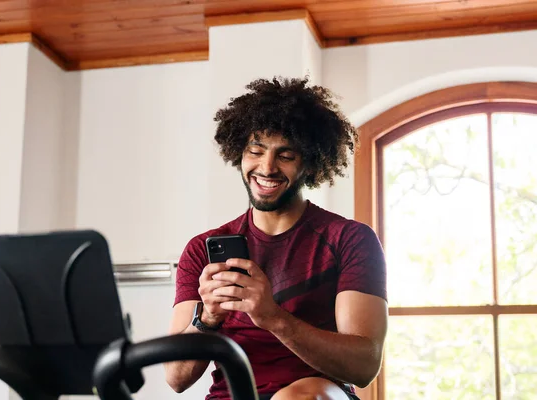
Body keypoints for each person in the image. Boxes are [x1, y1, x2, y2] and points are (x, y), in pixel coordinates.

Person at [164, 77, 388, 400]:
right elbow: (175, 378)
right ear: (239, 154)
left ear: (310, 162)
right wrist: (209, 317)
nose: (266, 167)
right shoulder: (202, 249)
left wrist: (273, 318)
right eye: (255, 151)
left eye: (285, 155)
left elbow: (365, 365)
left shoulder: (350, 240)